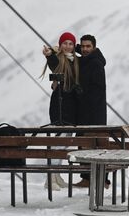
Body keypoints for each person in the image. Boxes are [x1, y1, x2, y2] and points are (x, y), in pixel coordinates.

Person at [41, 31, 80, 190]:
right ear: (61, 44)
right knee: (58, 140)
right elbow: (53, 64)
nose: (68, 46)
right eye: (65, 43)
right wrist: (50, 55)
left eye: (71, 44)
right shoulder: (60, 59)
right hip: (60, 104)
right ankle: (50, 178)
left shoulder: (76, 61)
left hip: (71, 105)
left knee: (65, 141)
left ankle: (57, 175)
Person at [72, 34, 108, 188]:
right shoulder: (85, 60)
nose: (85, 49)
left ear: (94, 47)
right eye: (83, 46)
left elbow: (98, 89)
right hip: (84, 111)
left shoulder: (96, 63)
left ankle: (100, 180)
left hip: (94, 112)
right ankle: (87, 178)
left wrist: (82, 92)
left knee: (95, 146)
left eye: (88, 46)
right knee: (85, 145)